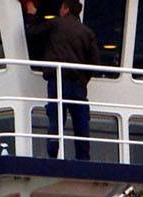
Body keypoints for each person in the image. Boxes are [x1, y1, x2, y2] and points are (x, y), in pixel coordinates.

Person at [36, 1, 101, 161]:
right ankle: (83, 157)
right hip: (78, 83)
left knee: (56, 117)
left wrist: (32, 14)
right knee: (80, 120)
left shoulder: (56, 24)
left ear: (65, 9)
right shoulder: (87, 32)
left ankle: (53, 153)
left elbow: (33, 34)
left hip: (58, 80)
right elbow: (95, 61)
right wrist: (84, 78)